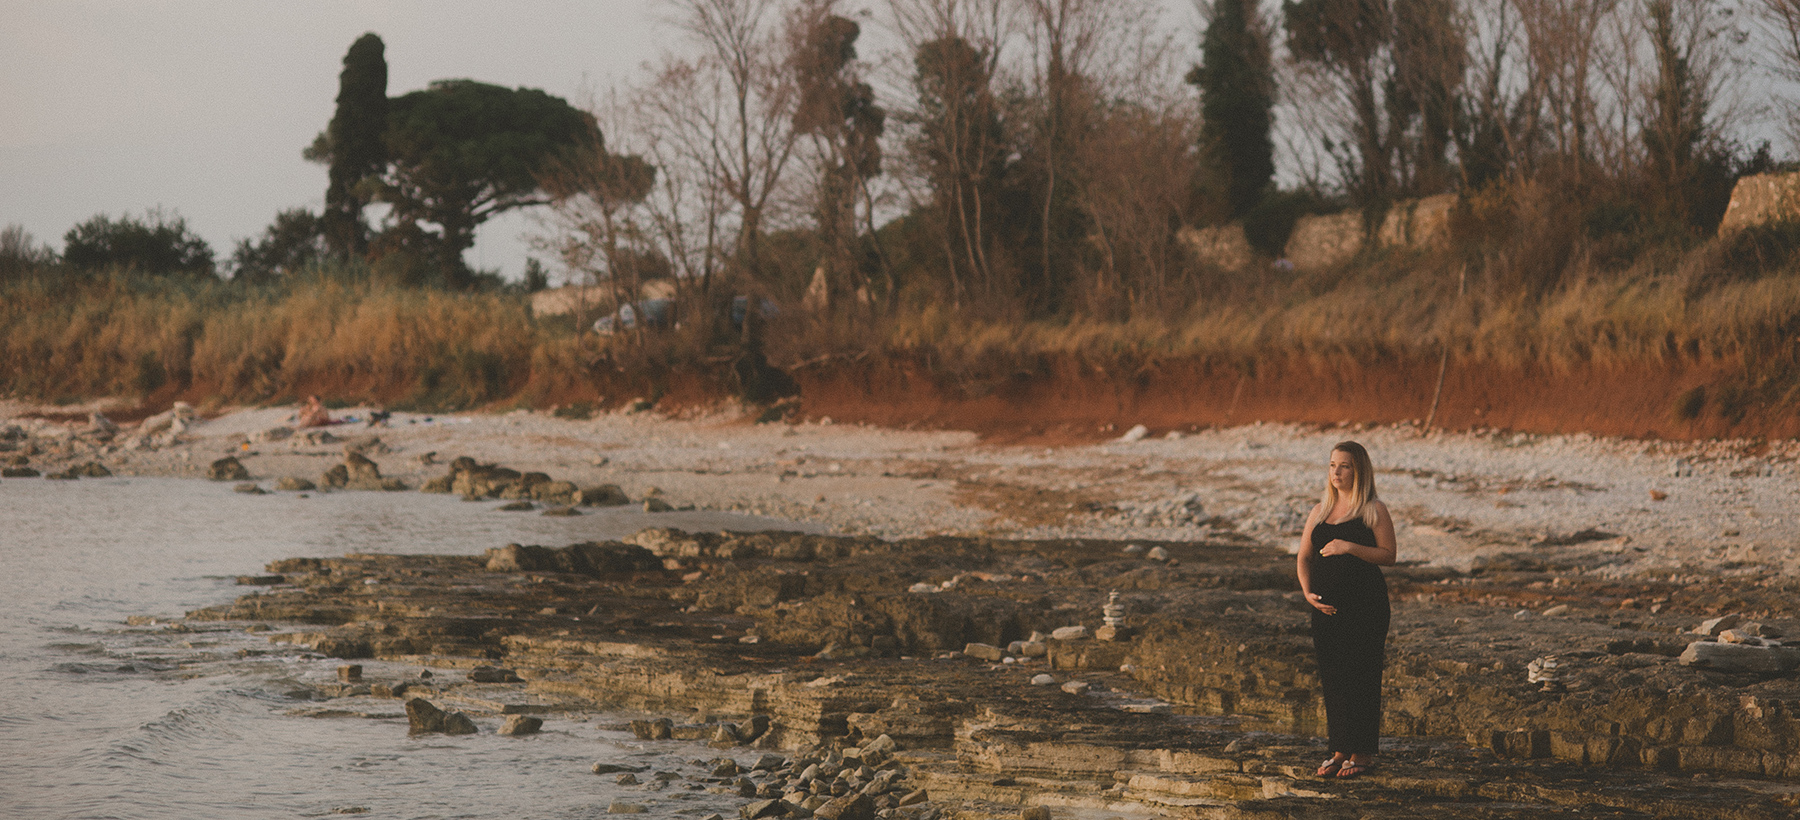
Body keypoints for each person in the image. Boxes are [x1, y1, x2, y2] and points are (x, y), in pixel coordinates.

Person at [1297, 440, 1396, 779]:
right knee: (1334, 679)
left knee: (1363, 677)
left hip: (1365, 608)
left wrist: (1349, 547)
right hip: (1325, 611)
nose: (1336, 472)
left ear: (1359, 471)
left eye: (1344, 466)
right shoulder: (1320, 510)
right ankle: (1339, 749)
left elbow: (1388, 555)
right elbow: (1303, 557)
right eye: (1332, 465)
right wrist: (1308, 592)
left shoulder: (1373, 509)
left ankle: (1363, 754)